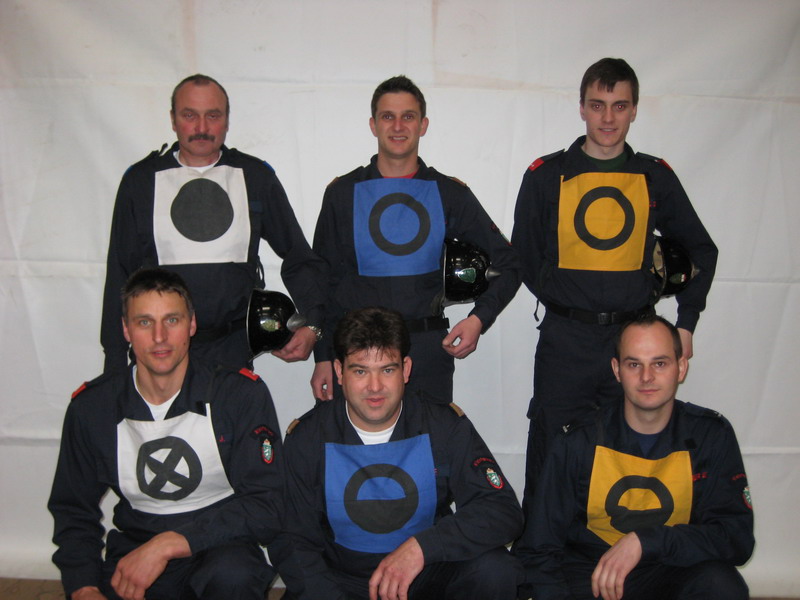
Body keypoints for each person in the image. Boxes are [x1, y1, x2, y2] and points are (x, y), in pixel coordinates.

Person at [511, 58, 718, 493]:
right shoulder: (547, 175)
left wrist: (686, 324)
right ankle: (540, 539)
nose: (608, 118)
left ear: (634, 110)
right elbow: (523, 256)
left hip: (633, 341)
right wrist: (563, 296)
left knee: (627, 453)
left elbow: (701, 250)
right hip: (565, 342)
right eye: (598, 105)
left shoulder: (653, 176)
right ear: (582, 108)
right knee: (551, 451)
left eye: (619, 106)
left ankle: (625, 535)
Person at [49, 268, 285, 600]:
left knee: (235, 576)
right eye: (145, 322)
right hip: (136, 546)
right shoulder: (92, 408)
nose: (159, 337)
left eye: (172, 320)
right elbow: (73, 510)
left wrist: (169, 543)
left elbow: (267, 503)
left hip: (220, 545)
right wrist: (83, 587)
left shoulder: (239, 395)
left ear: (191, 325)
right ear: (126, 329)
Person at [278, 306, 523, 600]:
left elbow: (502, 510)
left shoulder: (443, 425)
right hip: (342, 581)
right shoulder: (307, 437)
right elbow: (291, 538)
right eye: (360, 371)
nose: (375, 387)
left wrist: (423, 548)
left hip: (426, 574)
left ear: (405, 370)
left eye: (387, 370)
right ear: (339, 372)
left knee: (496, 570)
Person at [310, 75, 521, 404]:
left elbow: (510, 263)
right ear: (373, 124)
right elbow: (322, 281)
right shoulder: (342, 194)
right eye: (388, 116)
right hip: (358, 352)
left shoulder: (448, 193)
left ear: (423, 125)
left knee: (431, 438)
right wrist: (323, 356)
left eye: (408, 116)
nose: (398, 126)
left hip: (426, 352)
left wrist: (479, 319)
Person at [514, 314, 754, 600]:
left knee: (722, 585)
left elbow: (735, 538)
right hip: (591, 574)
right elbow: (539, 547)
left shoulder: (711, 435)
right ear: (617, 370)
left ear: (681, 368)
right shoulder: (577, 440)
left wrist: (647, 541)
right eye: (634, 364)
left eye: (659, 363)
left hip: (670, 568)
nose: (646, 377)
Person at [101, 73, 327, 372]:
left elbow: (298, 256)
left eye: (213, 115)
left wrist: (313, 324)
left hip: (232, 352)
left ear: (227, 120)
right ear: (173, 119)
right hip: (158, 352)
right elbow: (119, 274)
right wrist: (114, 363)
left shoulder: (254, 177)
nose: (202, 128)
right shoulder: (141, 182)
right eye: (189, 115)